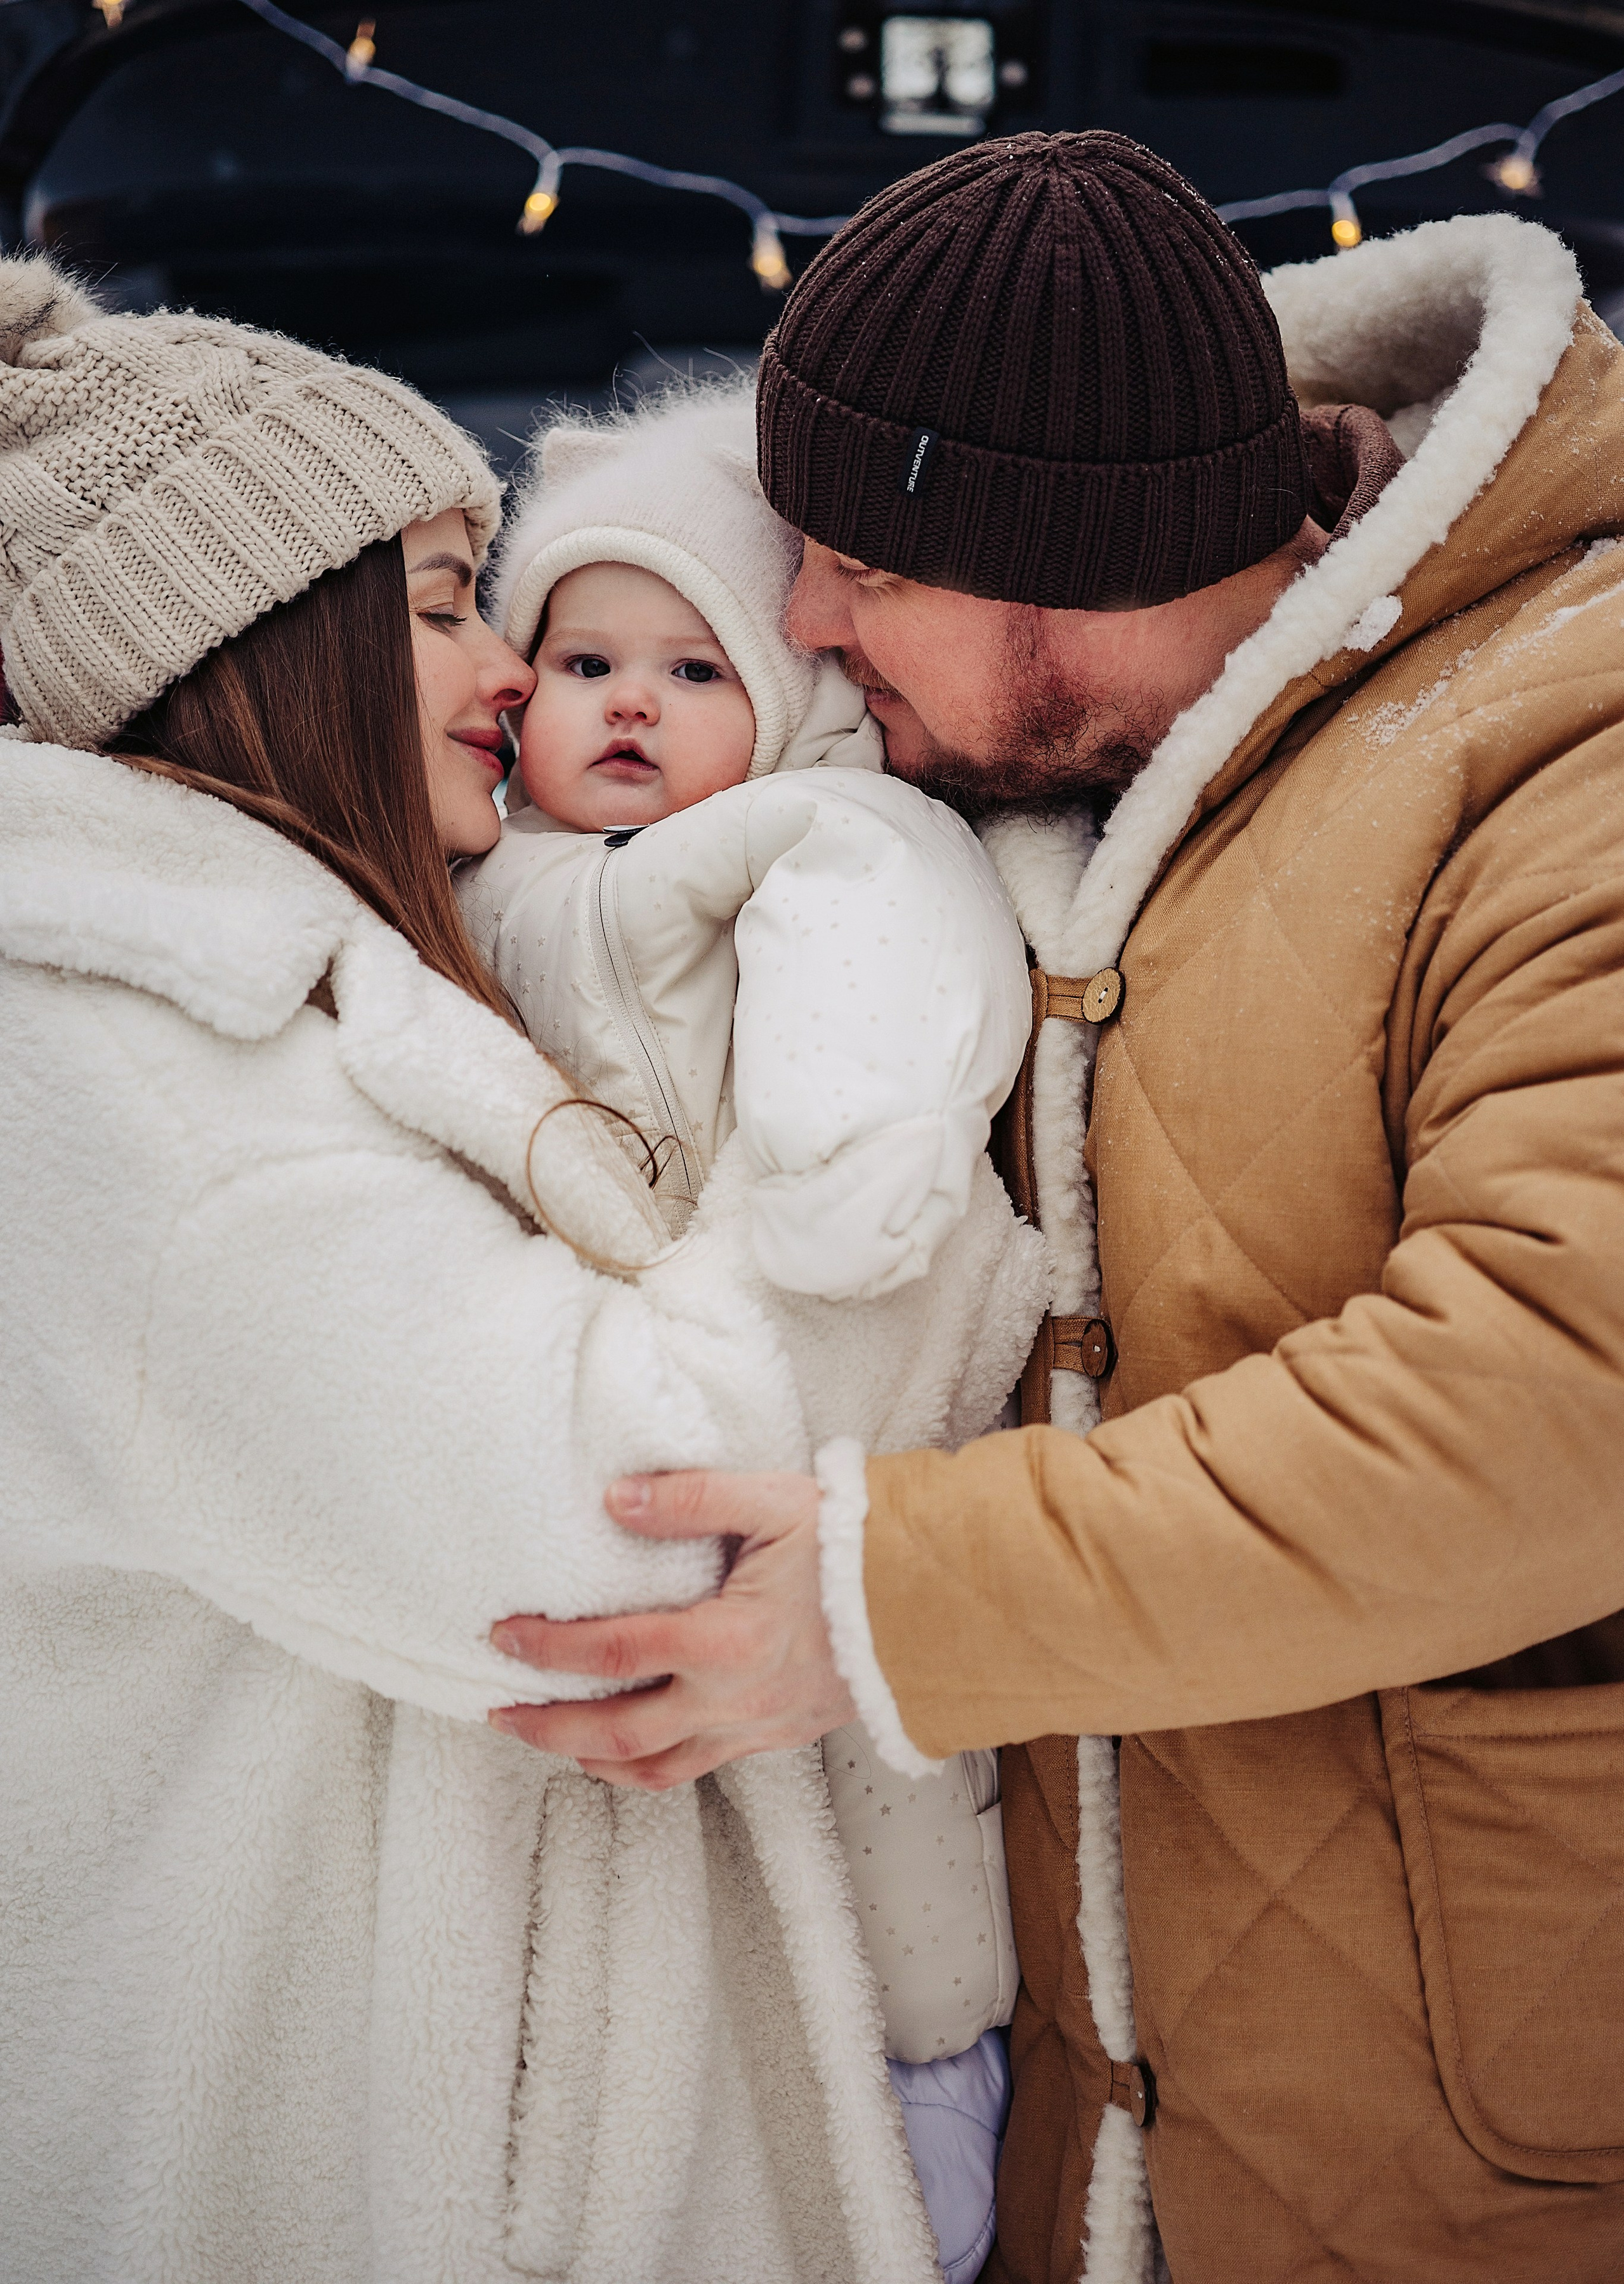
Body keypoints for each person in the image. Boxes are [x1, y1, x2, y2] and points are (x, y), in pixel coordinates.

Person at [490, 133, 1624, 2283]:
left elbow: (1571, 1387)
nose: (804, 624)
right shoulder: (1019, 768)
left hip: (1476, 2162)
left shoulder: (1570, 744)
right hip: (1088, 2155)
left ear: (1050, 553)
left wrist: (893, 1603)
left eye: (849, 564)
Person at [0, 249, 1016, 2284]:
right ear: (247, 634)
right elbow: (621, 1534)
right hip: (338, 2170)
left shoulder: (291, 980)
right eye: (454, 606)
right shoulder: (134, 1065)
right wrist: (905, 1194)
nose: (512, 679)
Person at [459, 383, 1042, 2284]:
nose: (629, 702)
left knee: (889, 1791)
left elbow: (888, 945)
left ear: (783, 703)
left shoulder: (808, 829)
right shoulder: (467, 882)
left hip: (821, 1343)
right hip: (603, 1385)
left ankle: (935, 2068)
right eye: (585, 656)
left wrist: (838, 1165)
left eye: (694, 665)